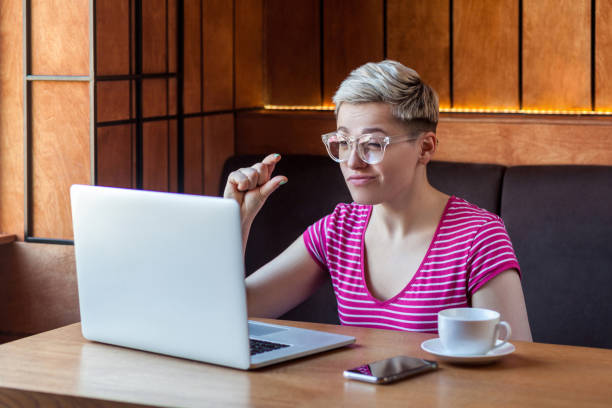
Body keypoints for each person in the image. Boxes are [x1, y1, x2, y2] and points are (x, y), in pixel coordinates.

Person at [224, 60, 532, 341]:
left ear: (425, 148)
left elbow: (517, 369)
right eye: (344, 143)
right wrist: (234, 222)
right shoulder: (337, 231)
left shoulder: (479, 238)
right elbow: (238, 311)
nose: (353, 162)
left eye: (372, 144)